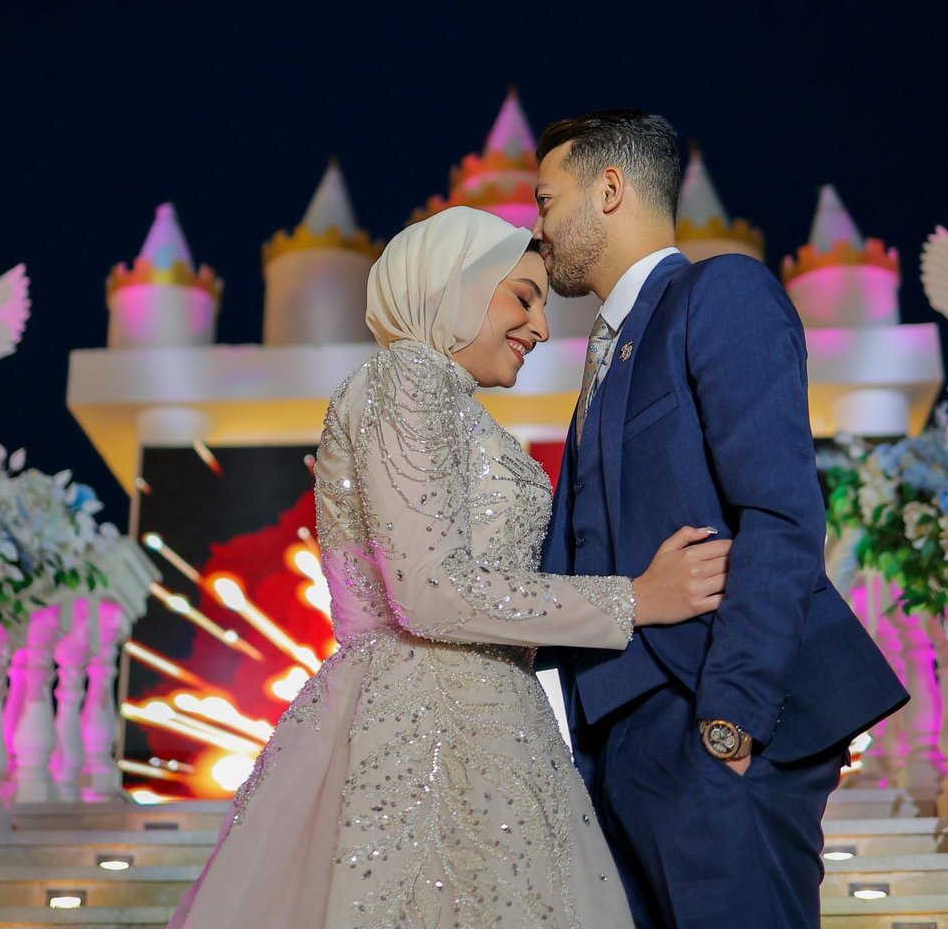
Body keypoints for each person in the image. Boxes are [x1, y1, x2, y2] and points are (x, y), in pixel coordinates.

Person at [171, 204, 729, 929]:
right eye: (521, 296)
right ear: (452, 284)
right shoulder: (407, 378)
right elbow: (431, 594)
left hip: (486, 719)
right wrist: (636, 601)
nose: (538, 326)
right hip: (426, 723)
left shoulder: (447, 403)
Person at [533, 110, 908, 929]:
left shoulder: (719, 292)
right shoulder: (606, 354)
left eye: (545, 200)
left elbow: (781, 516)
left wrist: (729, 721)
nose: (539, 227)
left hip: (708, 722)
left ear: (609, 188)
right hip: (617, 749)